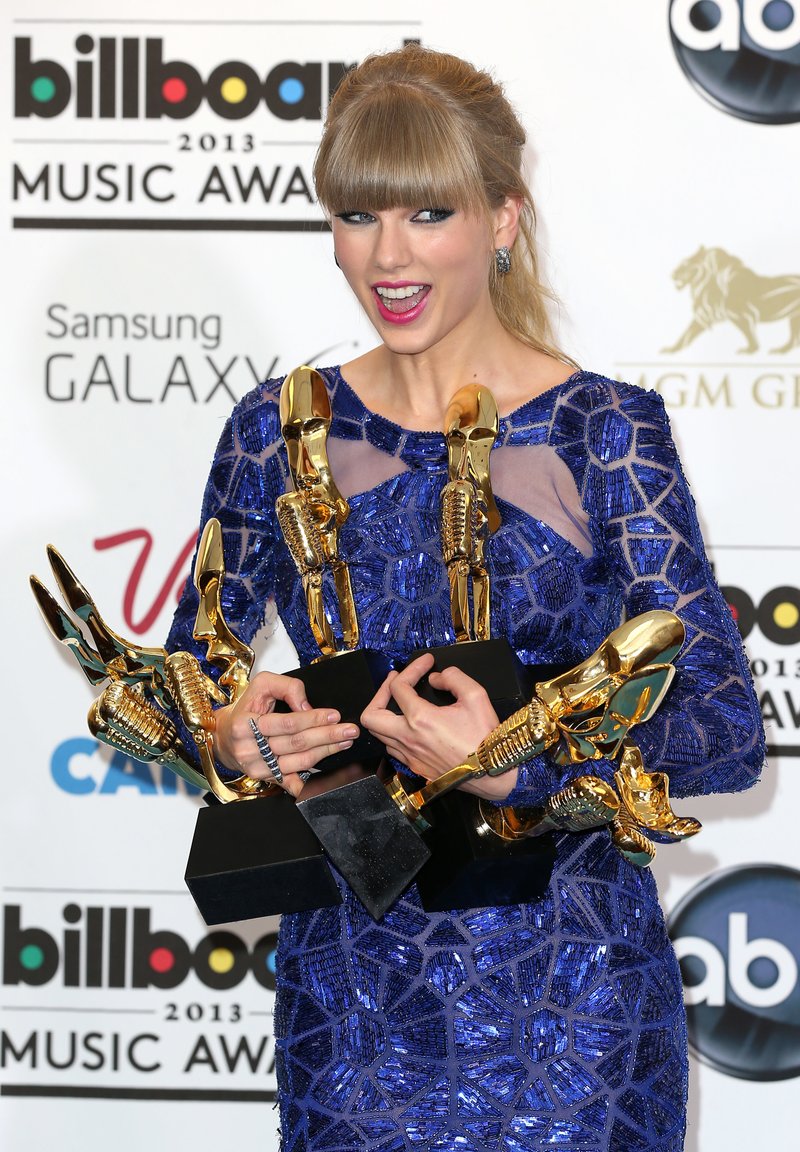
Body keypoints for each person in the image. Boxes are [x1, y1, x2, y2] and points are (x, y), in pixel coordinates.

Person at [166, 44, 765, 1152]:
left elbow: (722, 731)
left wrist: (521, 760)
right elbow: (190, 669)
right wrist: (228, 729)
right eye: (357, 217)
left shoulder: (600, 431)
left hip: (571, 1007)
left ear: (500, 219)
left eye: (427, 214)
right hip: (350, 1007)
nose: (387, 256)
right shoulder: (273, 429)